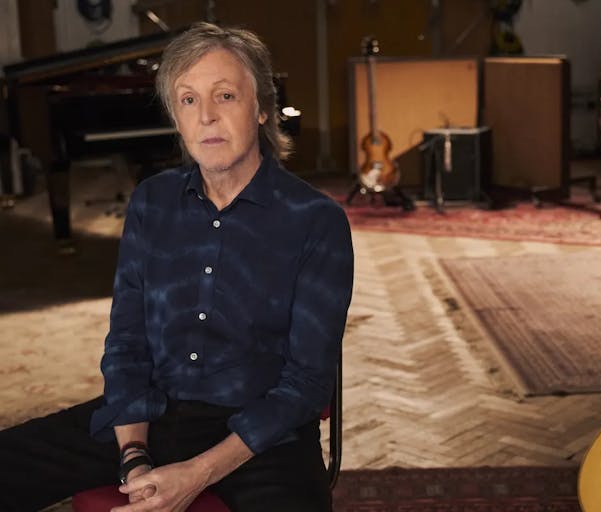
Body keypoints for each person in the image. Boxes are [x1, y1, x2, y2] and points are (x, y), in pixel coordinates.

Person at [0, 21, 354, 512]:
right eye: (188, 100)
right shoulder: (152, 202)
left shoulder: (317, 221)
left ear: (263, 108)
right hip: (150, 416)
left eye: (225, 95)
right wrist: (134, 458)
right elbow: (127, 342)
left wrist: (195, 474)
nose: (206, 116)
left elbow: (306, 384)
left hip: (261, 435)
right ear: (176, 116)